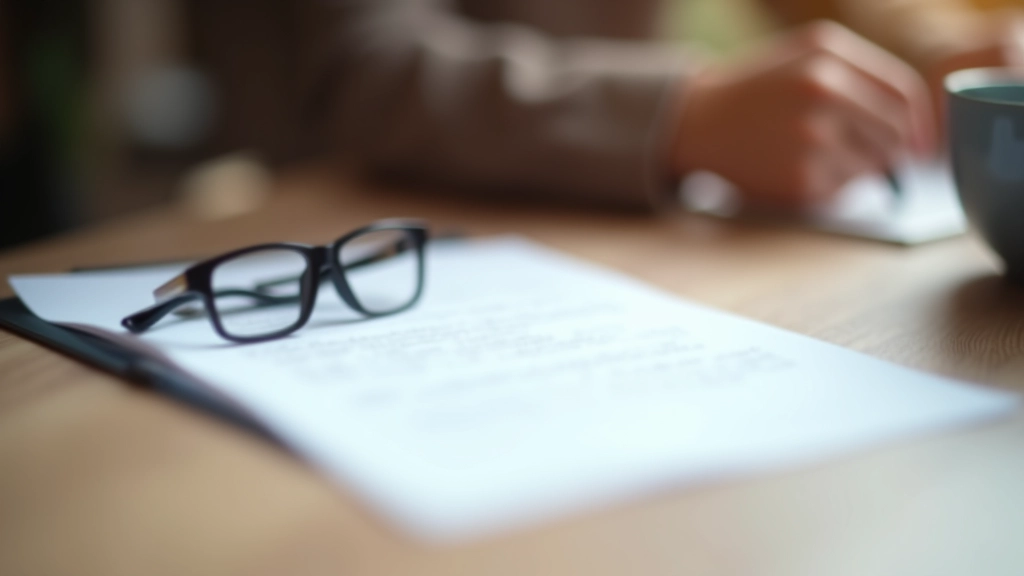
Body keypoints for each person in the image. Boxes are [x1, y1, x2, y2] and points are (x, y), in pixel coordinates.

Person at [324, 0, 1024, 210]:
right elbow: (362, 70)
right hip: (330, 225)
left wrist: (939, 50)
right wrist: (686, 114)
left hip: (616, 229)